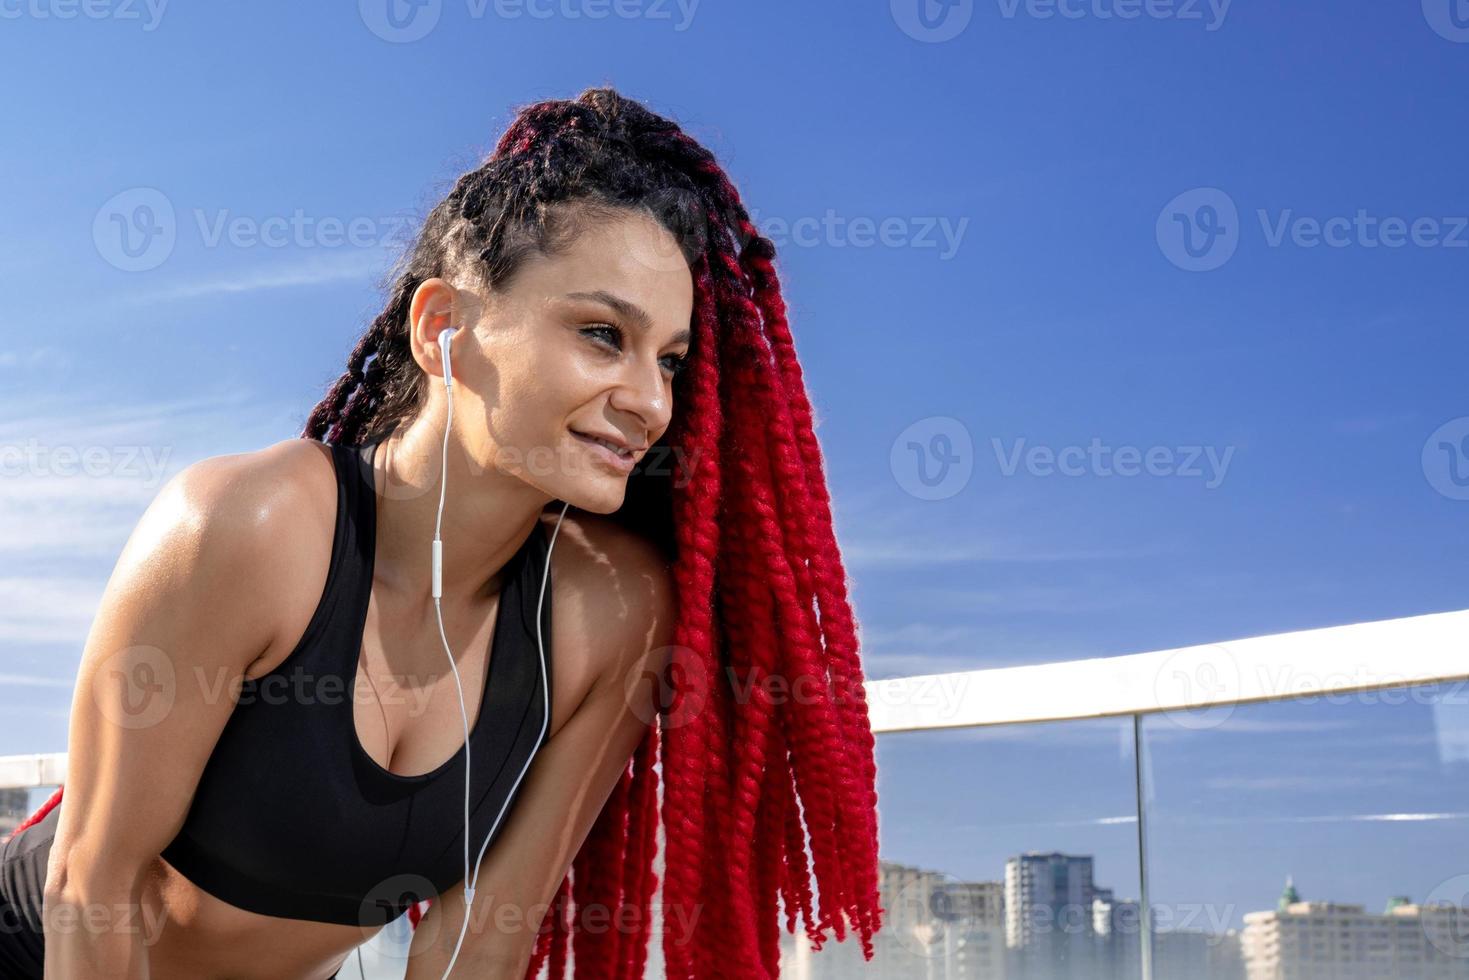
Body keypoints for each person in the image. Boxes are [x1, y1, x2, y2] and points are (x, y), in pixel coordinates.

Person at [0, 86, 883, 979]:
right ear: (442, 326)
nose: (650, 402)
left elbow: (481, 939)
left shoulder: (611, 615)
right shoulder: (252, 526)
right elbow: (90, 881)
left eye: (667, 360)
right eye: (599, 333)